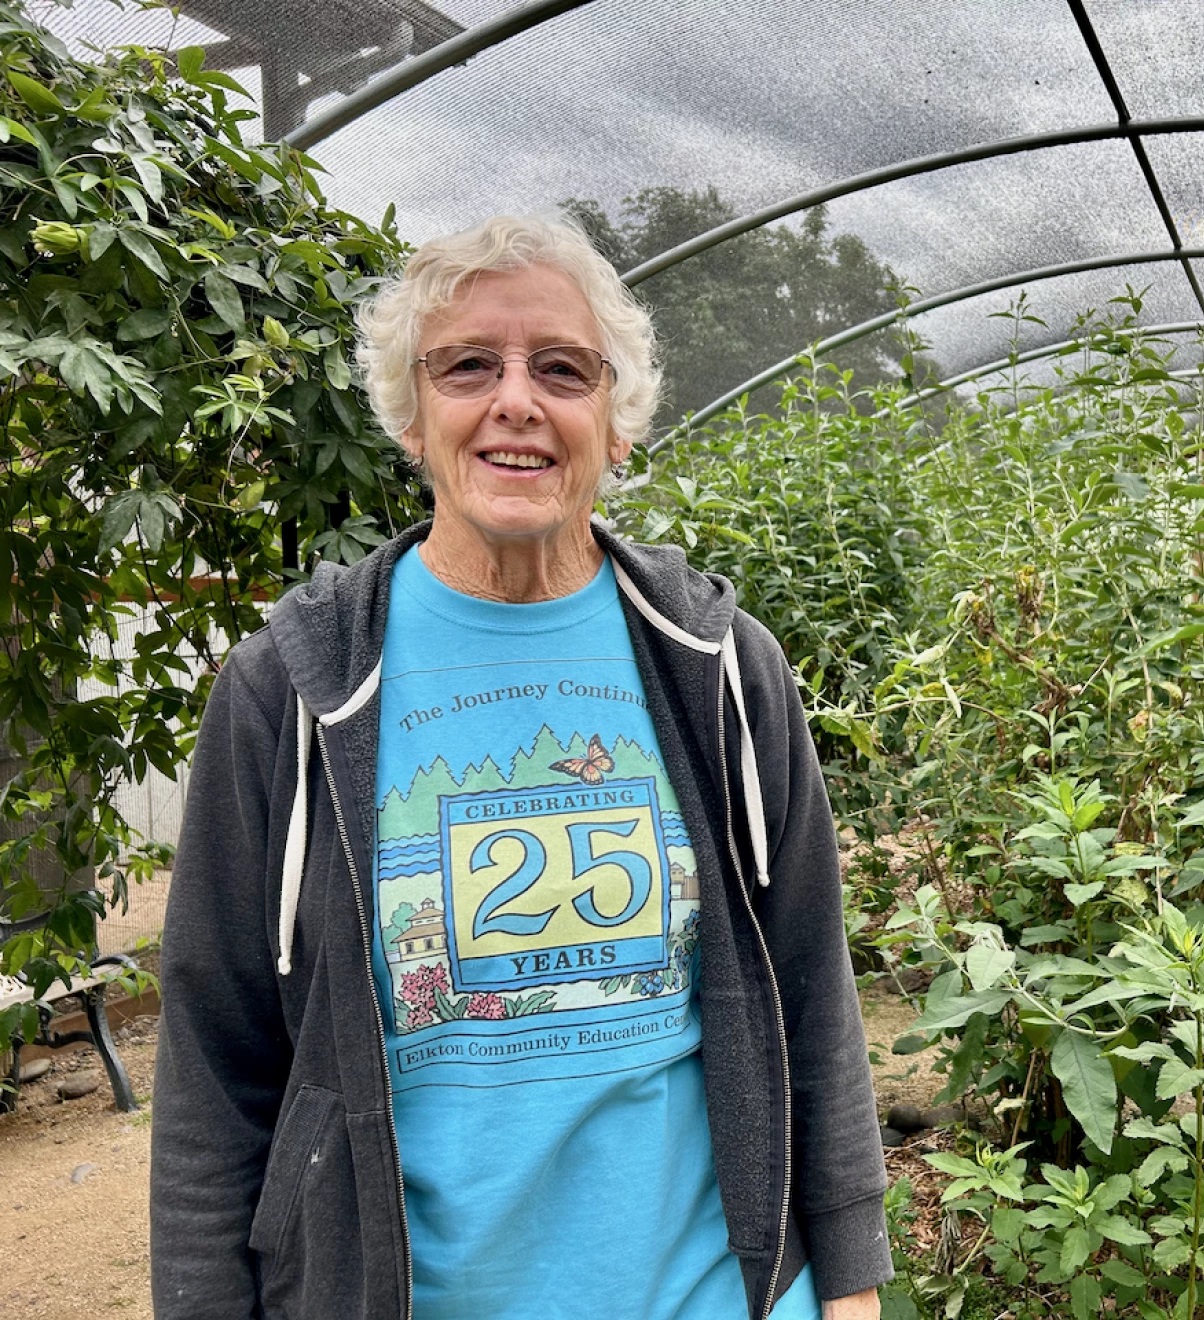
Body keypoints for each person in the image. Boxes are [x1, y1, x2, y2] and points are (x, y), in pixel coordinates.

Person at [150, 214, 890, 1320]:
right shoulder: (289, 691)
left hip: (712, 1294)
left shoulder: (718, 666)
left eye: (561, 368)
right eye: (466, 367)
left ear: (616, 419)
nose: (516, 400)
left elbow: (808, 980)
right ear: (411, 415)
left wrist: (848, 1279)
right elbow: (216, 1056)